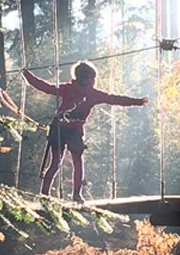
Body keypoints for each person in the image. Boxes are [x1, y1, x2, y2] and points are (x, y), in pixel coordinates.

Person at [18, 62, 147, 203]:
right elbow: (114, 99)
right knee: (75, 163)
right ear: (87, 79)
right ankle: (72, 195)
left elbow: (46, 87)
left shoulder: (70, 89)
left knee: (57, 162)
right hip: (67, 130)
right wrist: (137, 102)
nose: (94, 82)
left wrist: (27, 75)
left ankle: (47, 194)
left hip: (62, 128)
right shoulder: (91, 93)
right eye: (93, 79)